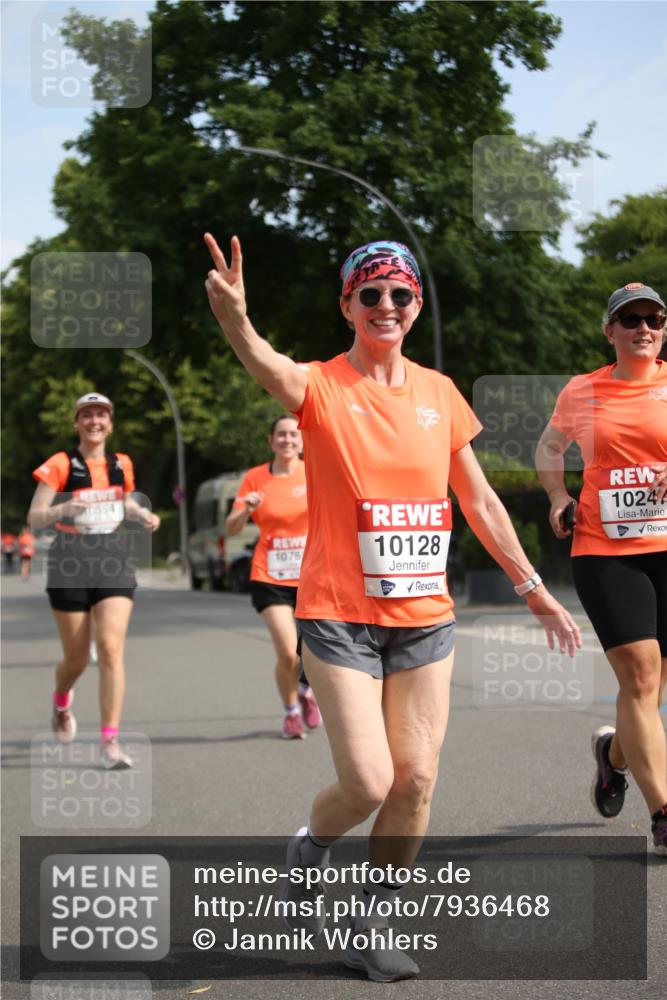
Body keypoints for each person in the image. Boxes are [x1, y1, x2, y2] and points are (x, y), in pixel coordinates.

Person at [205, 234, 581, 981]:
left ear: (413, 307)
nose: (385, 304)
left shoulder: (439, 395)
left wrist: (532, 586)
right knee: (369, 782)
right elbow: (265, 363)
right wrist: (237, 321)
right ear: (347, 304)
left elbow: (476, 500)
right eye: (369, 292)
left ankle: (368, 921)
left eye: (399, 293)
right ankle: (308, 850)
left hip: (424, 621)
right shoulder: (319, 386)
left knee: (415, 779)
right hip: (338, 615)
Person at [536, 282, 667, 857]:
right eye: (630, 319)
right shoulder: (583, 390)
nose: (644, 328)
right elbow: (548, 449)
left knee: (655, 686)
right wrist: (557, 497)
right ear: (609, 330)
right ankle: (664, 813)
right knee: (639, 679)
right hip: (606, 549)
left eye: (654, 318)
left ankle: (613, 755)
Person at [28, 392, 160, 769]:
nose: (94, 421)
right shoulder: (60, 464)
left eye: (101, 415)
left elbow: (125, 501)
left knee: (110, 648)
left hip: (113, 559)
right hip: (69, 560)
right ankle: (61, 700)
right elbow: (35, 516)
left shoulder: (122, 463)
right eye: (87, 415)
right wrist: (64, 507)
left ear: (111, 423)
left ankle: (110, 741)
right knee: (75, 659)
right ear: (77, 424)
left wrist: (142, 514)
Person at [225, 414, 321, 739]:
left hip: (312, 575)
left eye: (294, 435)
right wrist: (245, 509)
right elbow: (231, 526)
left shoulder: (314, 470)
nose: (287, 440)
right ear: (271, 441)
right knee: (286, 651)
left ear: (302, 440)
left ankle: (307, 691)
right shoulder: (255, 478)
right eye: (281, 435)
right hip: (270, 575)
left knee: (314, 652)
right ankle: (291, 710)